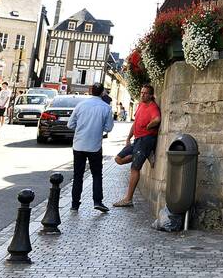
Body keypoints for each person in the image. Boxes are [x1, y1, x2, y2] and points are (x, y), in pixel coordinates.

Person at [67, 82, 114, 213]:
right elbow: (109, 128)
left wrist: (81, 128)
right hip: (95, 146)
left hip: (79, 145)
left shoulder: (80, 105)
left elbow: (70, 125)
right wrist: (99, 129)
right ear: (102, 92)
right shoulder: (106, 108)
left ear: (90, 91)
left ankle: (74, 204)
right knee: (97, 174)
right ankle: (97, 201)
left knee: (78, 175)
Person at [114, 85, 161, 206]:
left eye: (145, 93)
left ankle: (128, 199)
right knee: (118, 159)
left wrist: (149, 126)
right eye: (141, 92)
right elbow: (135, 123)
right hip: (137, 140)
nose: (142, 95)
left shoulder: (153, 107)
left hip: (146, 140)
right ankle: (144, 155)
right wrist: (129, 137)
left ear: (151, 95)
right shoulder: (140, 105)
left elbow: (157, 119)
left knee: (135, 169)